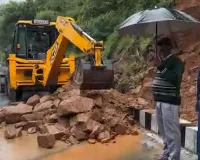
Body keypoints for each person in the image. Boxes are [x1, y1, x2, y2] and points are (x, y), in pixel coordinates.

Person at [152, 37, 185, 160]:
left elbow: (175, 79)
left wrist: (161, 67)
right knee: (164, 131)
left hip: (170, 101)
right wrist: (160, 65)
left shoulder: (177, 62)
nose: (160, 48)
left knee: (172, 132)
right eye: (159, 45)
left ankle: (174, 157)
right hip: (160, 100)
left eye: (163, 45)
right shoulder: (163, 61)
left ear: (169, 47)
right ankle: (166, 154)